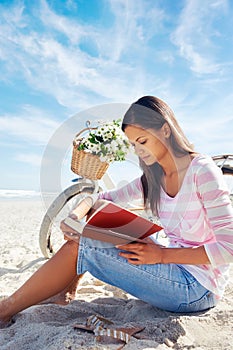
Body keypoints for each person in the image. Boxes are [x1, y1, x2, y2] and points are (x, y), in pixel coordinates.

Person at [1, 96, 233, 328]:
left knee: (84, 246)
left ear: (165, 130)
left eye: (142, 141)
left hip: (198, 288)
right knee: (99, 227)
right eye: (133, 145)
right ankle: (65, 290)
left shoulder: (202, 171)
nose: (138, 151)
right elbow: (100, 199)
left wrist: (161, 256)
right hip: (172, 264)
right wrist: (74, 217)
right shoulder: (153, 178)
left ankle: (6, 310)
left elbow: (228, 249)